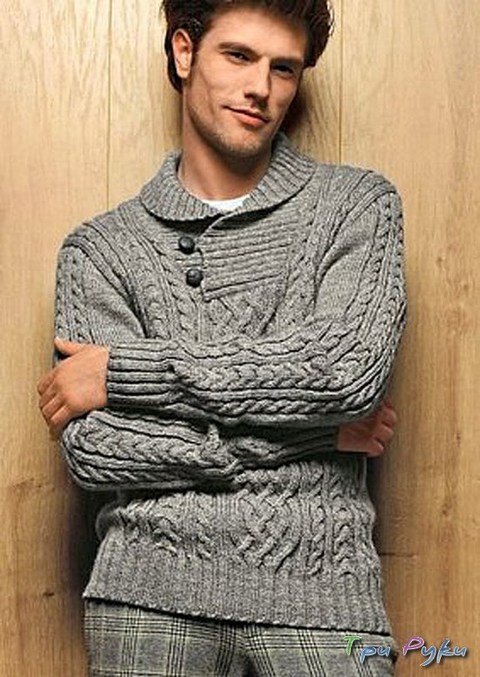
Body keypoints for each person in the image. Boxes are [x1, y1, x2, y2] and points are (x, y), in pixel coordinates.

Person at [37, 1, 407, 675]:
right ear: (184, 53)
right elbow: (94, 449)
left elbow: (345, 373)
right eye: (238, 56)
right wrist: (314, 436)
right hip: (147, 596)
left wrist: (124, 373)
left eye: (283, 68)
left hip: (322, 591)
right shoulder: (101, 250)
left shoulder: (355, 205)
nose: (261, 87)